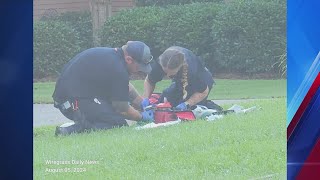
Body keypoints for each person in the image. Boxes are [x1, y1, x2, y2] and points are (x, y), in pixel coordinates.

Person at [53, 41, 154, 136]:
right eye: (139, 67)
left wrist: (142, 104)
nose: (139, 71)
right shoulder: (118, 69)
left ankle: (82, 123)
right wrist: (141, 117)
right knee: (117, 124)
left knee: (112, 117)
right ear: (129, 59)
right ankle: (72, 130)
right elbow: (121, 108)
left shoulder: (114, 58)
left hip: (75, 97)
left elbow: (124, 87)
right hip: (70, 103)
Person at [141, 46, 215, 110]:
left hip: (202, 82)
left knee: (191, 110)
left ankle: (209, 106)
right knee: (166, 101)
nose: (167, 75)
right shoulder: (160, 63)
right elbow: (149, 81)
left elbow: (203, 92)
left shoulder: (191, 71)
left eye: (171, 74)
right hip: (178, 81)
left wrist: (186, 104)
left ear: (179, 68)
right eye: (165, 72)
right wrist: (146, 98)